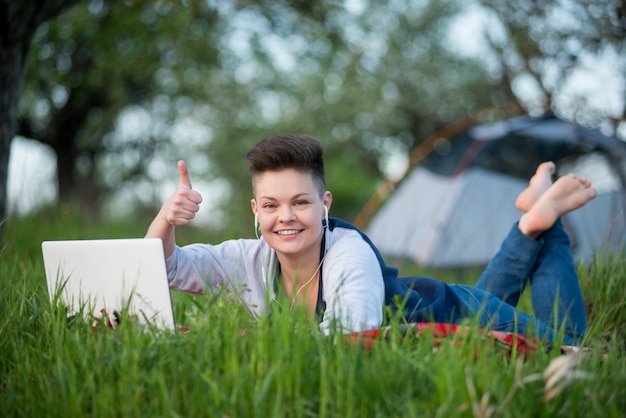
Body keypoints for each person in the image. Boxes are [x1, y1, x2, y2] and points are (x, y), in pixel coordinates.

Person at [146, 134, 597, 345]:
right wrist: (166, 220)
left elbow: (346, 340)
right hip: (446, 301)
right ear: (255, 210)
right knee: (491, 293)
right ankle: (531, 221)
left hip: (457, 313)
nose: (285, 218)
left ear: (324, 203)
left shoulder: (350, 257)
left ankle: (547, 218)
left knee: (574, 346)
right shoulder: (249, 259)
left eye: (300, 203)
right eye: (270, 206)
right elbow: (160, 268)